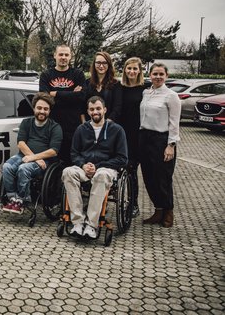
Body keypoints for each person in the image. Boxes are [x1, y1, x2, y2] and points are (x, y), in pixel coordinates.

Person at [61, 96, 128, 239]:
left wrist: (97, 166)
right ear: (88, 111)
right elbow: (74, 153)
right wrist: (83, 165)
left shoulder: (117, 130)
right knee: (68, 172)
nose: (95, 112)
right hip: (85, 168)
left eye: (98, 108)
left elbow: (122, 158)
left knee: (101, 175)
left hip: (105, 169)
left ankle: (92, 224)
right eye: (92, 109)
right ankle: (78, 222)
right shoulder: (81, 129)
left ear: (105, 110)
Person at [0, 92, 63, 213]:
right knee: (7, 167)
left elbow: (53, 151)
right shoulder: (26, 123)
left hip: (45, 162)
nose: (42, 111)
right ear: (34, 108)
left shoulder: (55, 127)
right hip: (25, 156)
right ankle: (13, 198)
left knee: (24, 169)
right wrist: (33, 157)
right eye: (39, 108)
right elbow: (21, 143)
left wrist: (35, 158)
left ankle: (23, 200)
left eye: (45, 109)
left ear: (49, 111)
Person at [139, 62, 181, 228]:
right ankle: (158, 210)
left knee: (163, 177)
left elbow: (174, 123)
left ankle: (168, 211)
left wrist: (171, 145)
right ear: (150, 75)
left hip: (161, 139)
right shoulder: (146, 92)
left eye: (160, 74)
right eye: (154, 74)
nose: (157, 77)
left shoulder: (171, 96)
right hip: (144, 137)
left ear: (166, 76)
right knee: (149, 177)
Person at [39, 44, 86, 164]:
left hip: (73, 127)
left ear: (71, 57)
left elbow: (81, 97)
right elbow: (45, 98)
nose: (63, 57)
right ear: (55, 55)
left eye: (66, 54)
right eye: (60, 54)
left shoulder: (78, 74)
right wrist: (71, 94)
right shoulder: (46, 75)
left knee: (72, 162)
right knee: (53, 163)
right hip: (52, 127)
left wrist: (56, 94)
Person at [120, 56, 146, 217]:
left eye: (135, 68)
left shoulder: (145, 89)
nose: (132, 71)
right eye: (129, 68)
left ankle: (133, 203)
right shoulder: (119, 87)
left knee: (131, 170)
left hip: (137, 134)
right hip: (121, 134)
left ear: (139, 71)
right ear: (125, 70)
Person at [83, 51, 122, 123]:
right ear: (94, 64)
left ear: (109, 64)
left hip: (109, 125)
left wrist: (107, 123)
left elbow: (117, 107)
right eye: (98, 63)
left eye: (104, 63)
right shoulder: (87, 83)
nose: (101, 66)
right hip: (89, 125)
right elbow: (82, 105)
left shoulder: (115, 84)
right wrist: (84, 122)